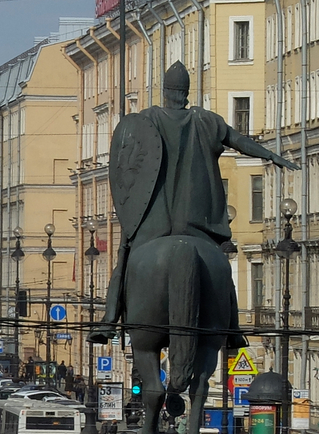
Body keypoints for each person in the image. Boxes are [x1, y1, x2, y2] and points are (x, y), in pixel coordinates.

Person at [89, 61, 299, 345]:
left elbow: (128, 165)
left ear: (165, 91)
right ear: (186, 93)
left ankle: (109, 320)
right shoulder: (205, 120)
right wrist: (272, 156)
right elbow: (240, 141)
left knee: (124, 259)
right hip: (196, 219)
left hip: (154, 219)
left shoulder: (147, 119)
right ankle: (233, 328)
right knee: (220, 266)